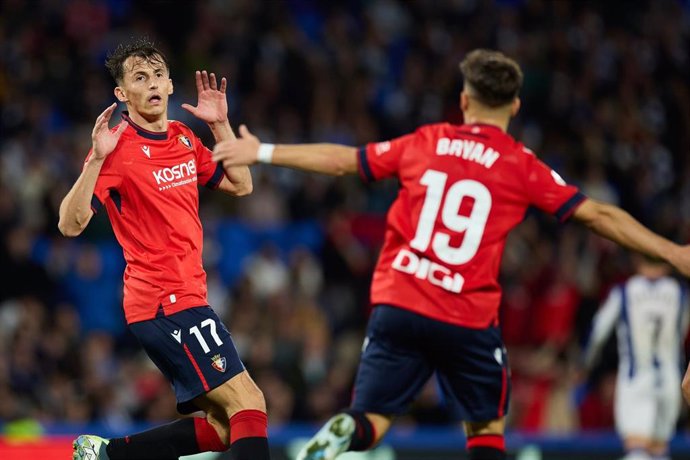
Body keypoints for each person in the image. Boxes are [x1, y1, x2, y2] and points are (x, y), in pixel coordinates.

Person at [212, 48, 690, 460]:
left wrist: (264, 151)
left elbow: (343, 162)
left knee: (373, 419)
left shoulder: (426, 141)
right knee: (485, 429)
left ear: (464, 101)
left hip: (399, 300)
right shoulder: (521, 165)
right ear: (516, 105)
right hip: (466, 314)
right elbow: (599, 217)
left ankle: (346, 429)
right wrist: (672, 252)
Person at [59, 38, 270, 460]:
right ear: (122, 94)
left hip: (187, 296)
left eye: (157, 74)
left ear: (171, 84)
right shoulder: (116, 150)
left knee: (225, 428)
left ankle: (108, 454)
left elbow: (242, 185)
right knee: (250, 403)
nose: (152, 83)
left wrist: (220, 125)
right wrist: (96, 161)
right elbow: (70, 223)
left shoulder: (183, 137)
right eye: (139, 77)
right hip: (162, 300)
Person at [583, 255, 688, 460]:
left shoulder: (624, 291)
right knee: (659, 451)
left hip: (636, 379)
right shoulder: (680, 293)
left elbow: (598, 331)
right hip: (669, 381)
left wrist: (585, 363)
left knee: (637, 450)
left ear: (637, 261)